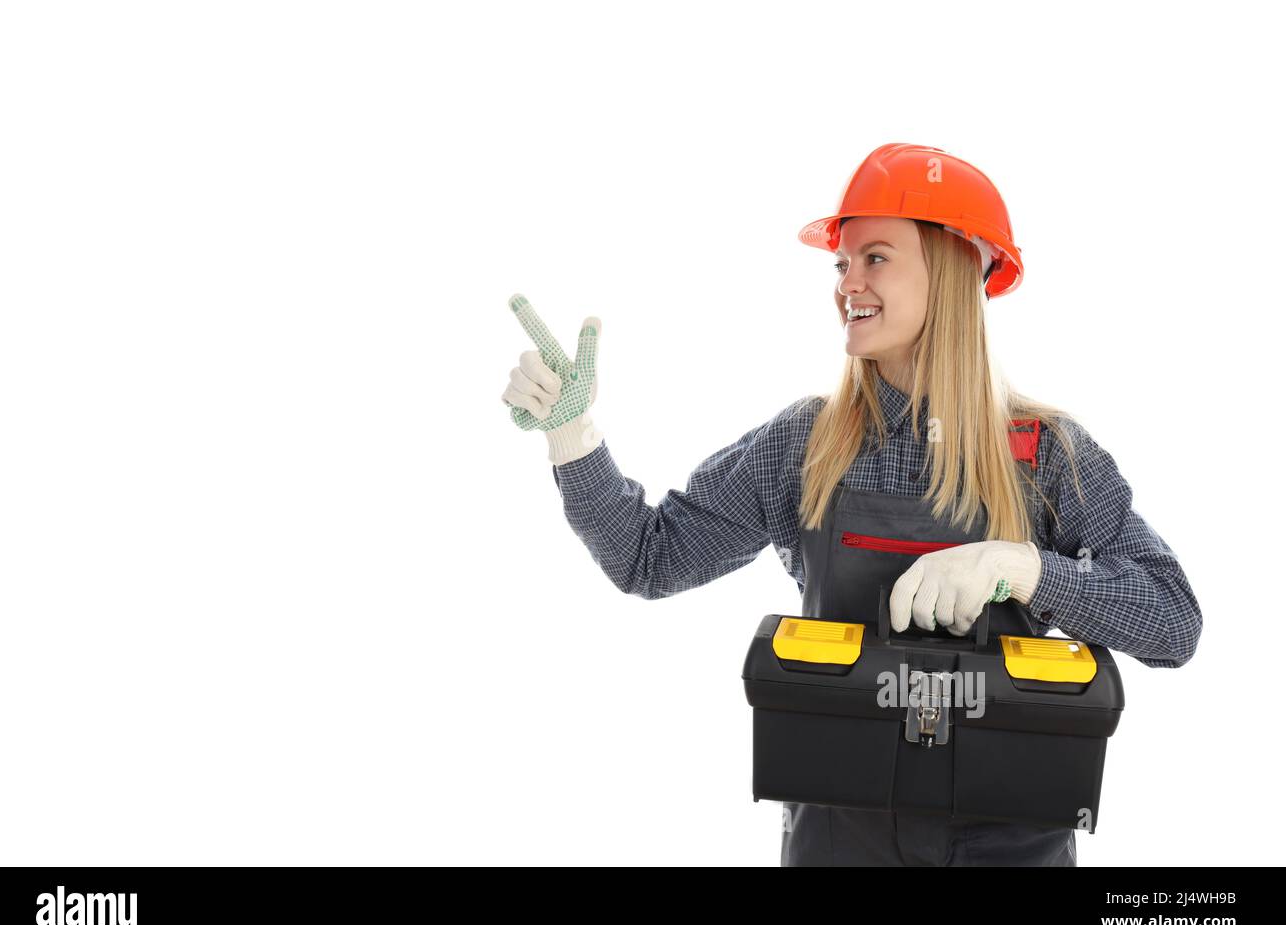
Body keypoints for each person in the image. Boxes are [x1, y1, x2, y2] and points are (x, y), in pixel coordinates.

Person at [500, 143, 1202, 866]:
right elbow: (649, 559)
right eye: (841, 264)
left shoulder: (1046, 453)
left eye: (875, 258)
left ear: (956, 269)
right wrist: (572, 437)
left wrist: (1022, 569)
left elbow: (1173, 623)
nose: (847, 284)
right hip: (841, 840)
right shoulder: (806, 443)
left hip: (1012, 844)